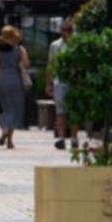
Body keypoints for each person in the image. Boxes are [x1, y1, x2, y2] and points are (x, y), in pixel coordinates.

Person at [0, 25, 31, 150]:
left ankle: (4, 129)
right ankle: (9, 140)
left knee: (3, 107)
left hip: (1, 79)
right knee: (14, 108)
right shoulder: (20, 49)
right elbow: (26, 63)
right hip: (15, 79)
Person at [48, 20, 75, 151]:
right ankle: (61, 137)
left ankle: (74, 137)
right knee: (60, 111)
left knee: (74, 111)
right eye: (64, 30)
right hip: (59, 81)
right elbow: (51, 64)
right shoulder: (55, 45)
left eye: (69, 30)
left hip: (74, 81)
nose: (66, 33)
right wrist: (49, 83)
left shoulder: (76, 45)